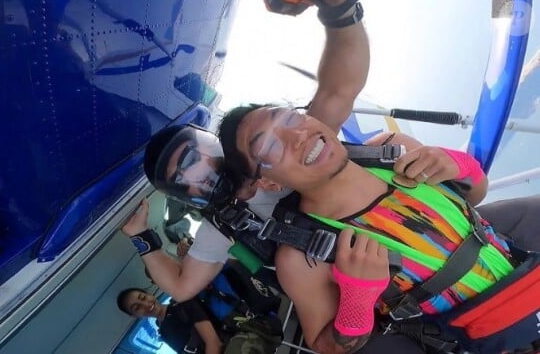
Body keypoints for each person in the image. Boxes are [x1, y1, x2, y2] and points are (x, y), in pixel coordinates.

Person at [217, 94, 540, 353]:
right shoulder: (301, 257)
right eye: (270, 145)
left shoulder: (394, 151)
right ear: (269, 184)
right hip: (493, 336)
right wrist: (357, 302)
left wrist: (461, 166)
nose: (297, 135)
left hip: (526, 269)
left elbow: (475, 196)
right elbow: (328, 346)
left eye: (290, 118)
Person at [121, 0, 371, 302]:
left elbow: (338, 89)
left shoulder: (283, 155)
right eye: (185, 180)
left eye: (194, 158)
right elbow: (181, 288)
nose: (198, 176)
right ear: (186, 195)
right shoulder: (222, 228)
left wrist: (340, 9)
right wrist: (139, 236)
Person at [117, 288, 224, 354]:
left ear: (150, 294)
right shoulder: (162, 332)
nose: (146, 305)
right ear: (135, 316)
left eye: (143, 297)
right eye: (137, 308)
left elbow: (214, 343)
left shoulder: (184, 305)